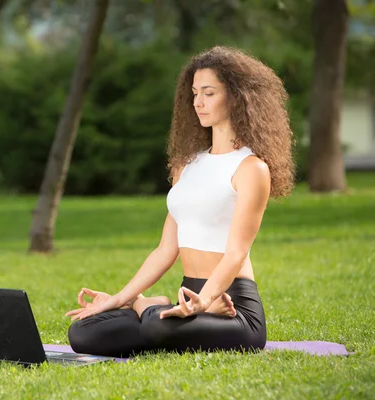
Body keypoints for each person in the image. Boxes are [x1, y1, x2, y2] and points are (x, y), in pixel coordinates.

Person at [65, 46, 295, 358]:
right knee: (84, 333)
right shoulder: (187, 166)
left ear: (238, 97)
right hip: (189, 299)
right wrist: (118, 298)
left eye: (209, 93)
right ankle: (148, 305)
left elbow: (236, 252)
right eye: (194, 93)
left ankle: (150, 306)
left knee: (156, 328)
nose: (198, 102)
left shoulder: (251, 168)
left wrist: (207, 298)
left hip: (233, 307)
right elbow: (165, 251)